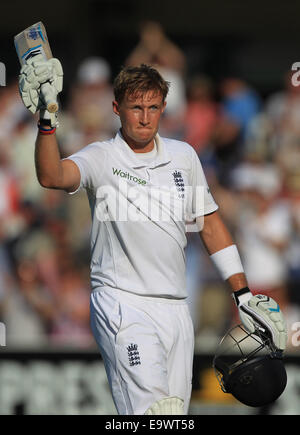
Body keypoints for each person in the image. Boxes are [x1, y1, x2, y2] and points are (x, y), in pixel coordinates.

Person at [18, 58, 287, 415]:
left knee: (173, 417)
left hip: (176, 308)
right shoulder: (101, 157)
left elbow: (208, 223)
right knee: (157, 414)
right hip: (122, 305)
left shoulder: (183, 156)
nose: (144, 118)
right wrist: (47, 122)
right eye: (135, 108)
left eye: (153, 107)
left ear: (162, 108)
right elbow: (52, 176)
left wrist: (242, 293)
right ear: (117, 108)